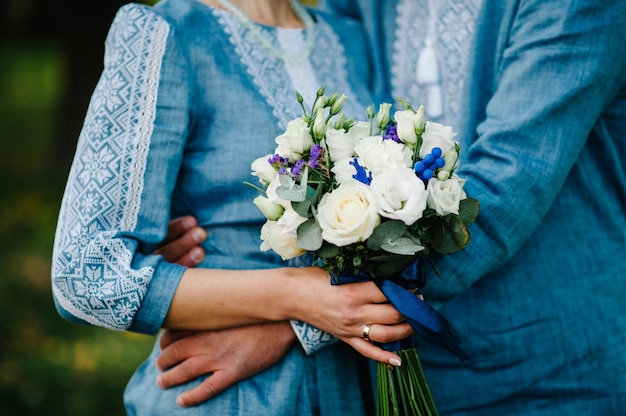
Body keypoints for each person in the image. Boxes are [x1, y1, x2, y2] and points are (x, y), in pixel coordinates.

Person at [157, 0, 626, 414]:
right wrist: (204, 240)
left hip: (553, 366)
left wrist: (296, 323)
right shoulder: (355, 10)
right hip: (394, 375)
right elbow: (325, 153)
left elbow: (509, 184)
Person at [50, 0, 416, 414]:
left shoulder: (348, 37)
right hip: (232, 395)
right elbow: (84, 274)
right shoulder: (164, 32)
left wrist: (301, 325)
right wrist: (296, 295)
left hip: (357, 385)